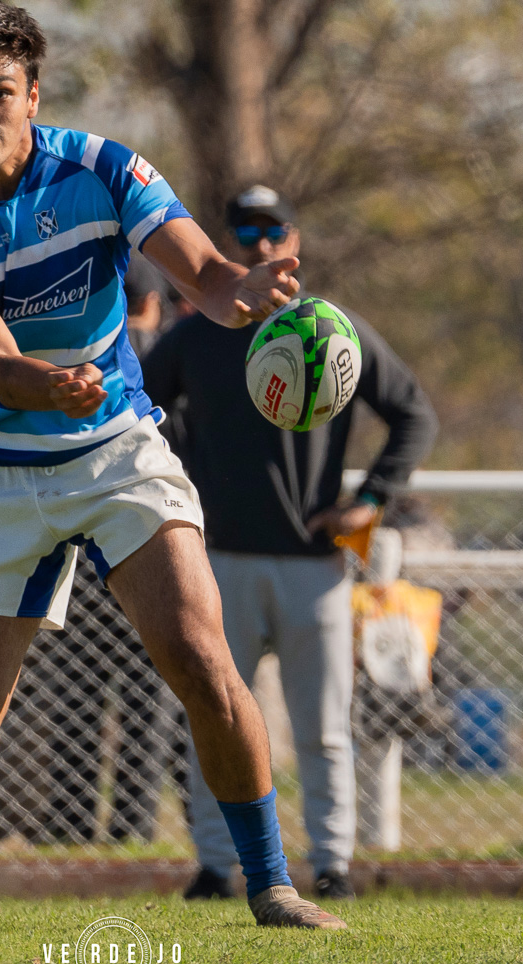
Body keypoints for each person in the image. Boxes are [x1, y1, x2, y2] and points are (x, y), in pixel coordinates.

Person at [0, 0, 345, 929]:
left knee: (203, 657)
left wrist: (244, 291)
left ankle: (272, 886)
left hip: (117, 448)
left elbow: (204, 277)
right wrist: (42, 382)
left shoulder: (101, 167)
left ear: (33, 93)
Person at [143, 184, 438, 902]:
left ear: (293, 240)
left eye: (271, 230)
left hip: (316, 565)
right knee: (213, 716)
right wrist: (177, 483)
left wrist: (366, 502)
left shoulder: (330, 328)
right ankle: (216, 864)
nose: (259, 245)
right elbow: (140, 405)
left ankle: (332, 863)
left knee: (324, 727)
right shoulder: (197, 331)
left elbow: (413, 415)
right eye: (243, 231)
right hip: (221, 561)